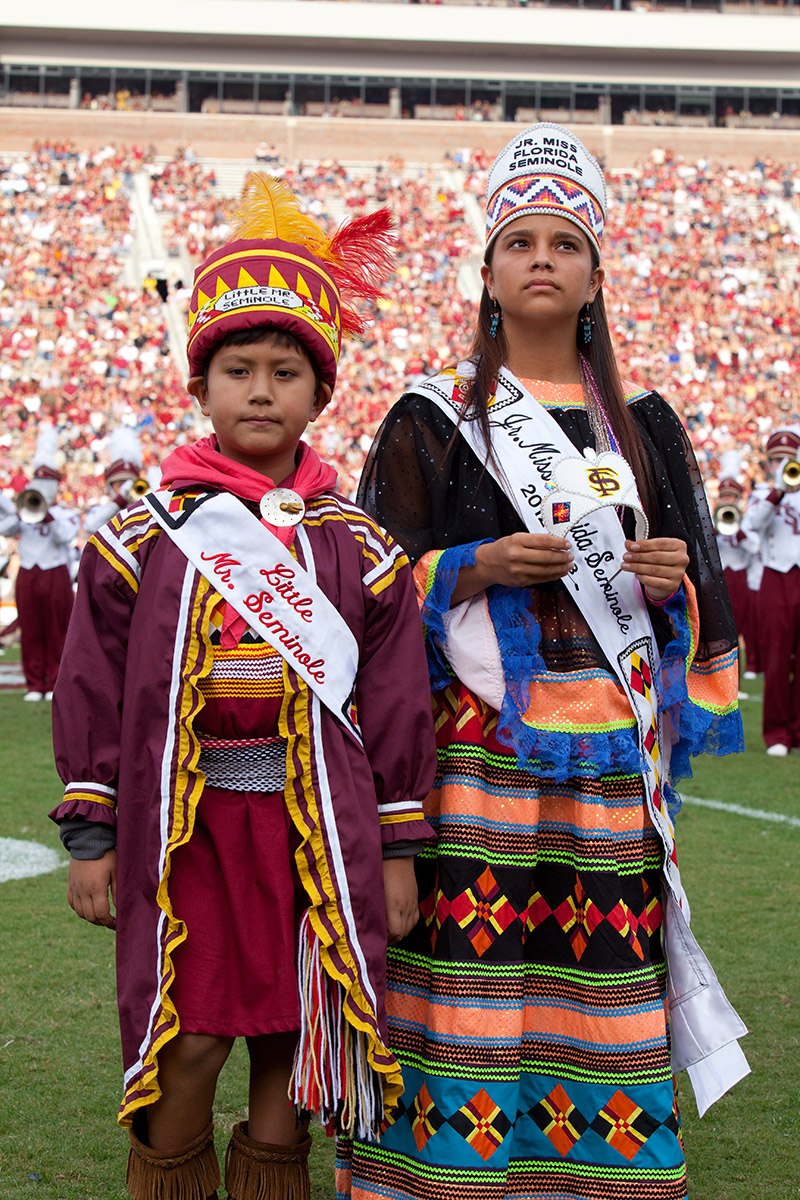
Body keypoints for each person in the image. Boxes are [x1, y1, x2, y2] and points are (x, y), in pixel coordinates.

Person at [339, 124, 747, 1200]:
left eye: (562, 243)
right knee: (473, 950)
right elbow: (367, 585)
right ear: (484, 270)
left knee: (597, 954)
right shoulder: (432, 420)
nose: (539, 259)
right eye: (516, 240)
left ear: (594, 273)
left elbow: (700, 595)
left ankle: (585, 1165)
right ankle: (445, 1161)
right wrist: (473, 564)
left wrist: (671, 583)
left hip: (606, 751)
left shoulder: (645, 426)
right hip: (476, 748)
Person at [49, 174, 437, 1200]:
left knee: (291, 1050)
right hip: (190, 835)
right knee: (189, 1045)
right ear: (200, 387)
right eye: (237, 369)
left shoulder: (357, 548)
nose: (259, 390)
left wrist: (399, 854)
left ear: (318, 395)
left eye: (282, 372)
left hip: (315, 834)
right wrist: (92, 832)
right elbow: (86, 686)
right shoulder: (141, 538)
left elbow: (395, 706)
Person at [0, 428, 78, 701]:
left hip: (55, 572)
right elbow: (6, 529)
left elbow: (65, 537)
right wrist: (22, 514)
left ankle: (56, 680)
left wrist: (45, 516)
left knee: (58, 629)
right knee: (31, 629)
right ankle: (35, 684)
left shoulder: (64, 515)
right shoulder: (23, 511)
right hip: (29, 572)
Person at [740, 424, 800, 755]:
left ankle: (798, 730)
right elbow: (752, 524)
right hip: (775, 578)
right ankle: (777, 733)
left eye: (789, 459)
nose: (783, 464)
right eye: (777, 459)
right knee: (777, 659)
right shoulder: (764, 494)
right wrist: (779, 489)